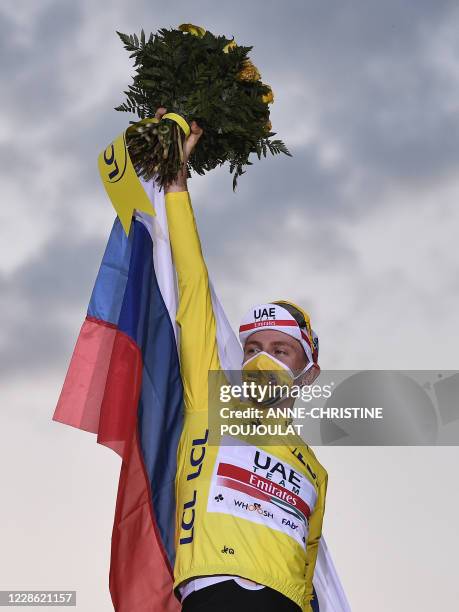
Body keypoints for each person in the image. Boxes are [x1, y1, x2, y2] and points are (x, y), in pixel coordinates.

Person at [157, 107, 327, 612]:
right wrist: (175, 183)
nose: (261, 360)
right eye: (252, 349)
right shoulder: (211, 402)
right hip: (212, 593)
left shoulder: (315, 472)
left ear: (307, 373)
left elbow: (310, 575)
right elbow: (192, 287)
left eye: (280, 351)